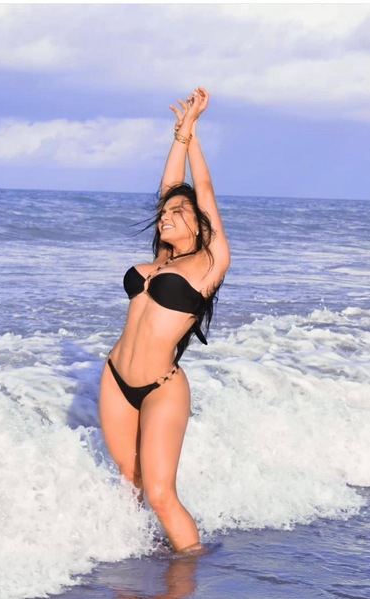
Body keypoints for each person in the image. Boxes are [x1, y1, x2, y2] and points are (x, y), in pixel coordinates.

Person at [99, 87, 230, 554]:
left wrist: (193, 135)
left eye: (178, 213)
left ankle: (188, 570)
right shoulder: (161, 258)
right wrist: (176, 138)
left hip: (161, 387)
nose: (165, 217)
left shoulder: (208, 265)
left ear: (199, 224)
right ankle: (133, 563)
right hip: (116, 378)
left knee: (159, 493)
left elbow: (203, 191)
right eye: (164, 214)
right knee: (130, 481)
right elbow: (168, 189)